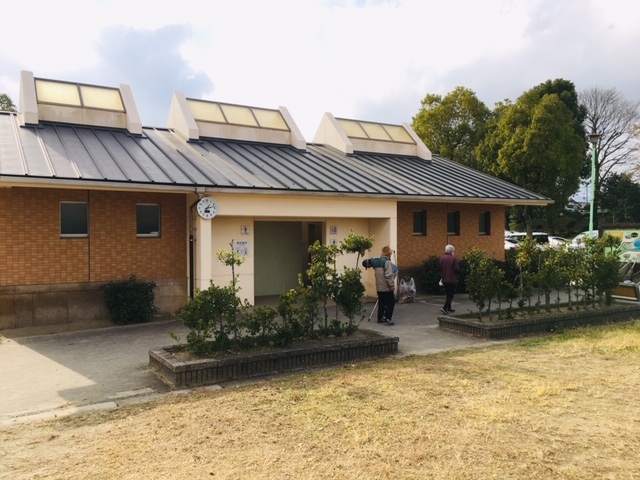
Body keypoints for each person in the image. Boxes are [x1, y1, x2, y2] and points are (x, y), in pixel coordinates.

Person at [374, 245, 398, 325]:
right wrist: (391, 285)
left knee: (381, 303)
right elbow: (388, 275)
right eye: (390, 253)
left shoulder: (377, 262)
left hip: (379, 287)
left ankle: (379, 318)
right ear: (388, 254)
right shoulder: (387, 262)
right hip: (386, 287)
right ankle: (387, 318)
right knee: (391, 302)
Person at [440, 244, 460, 314]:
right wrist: (457, 275)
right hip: (452, 279)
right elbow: (456, 269)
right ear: (452, 251)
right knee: (451, 294)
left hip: (445, 278)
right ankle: (445, 307)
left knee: (448, 293)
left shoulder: (442, 258)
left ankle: (449, 308)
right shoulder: (454, 258)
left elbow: (440, 268)